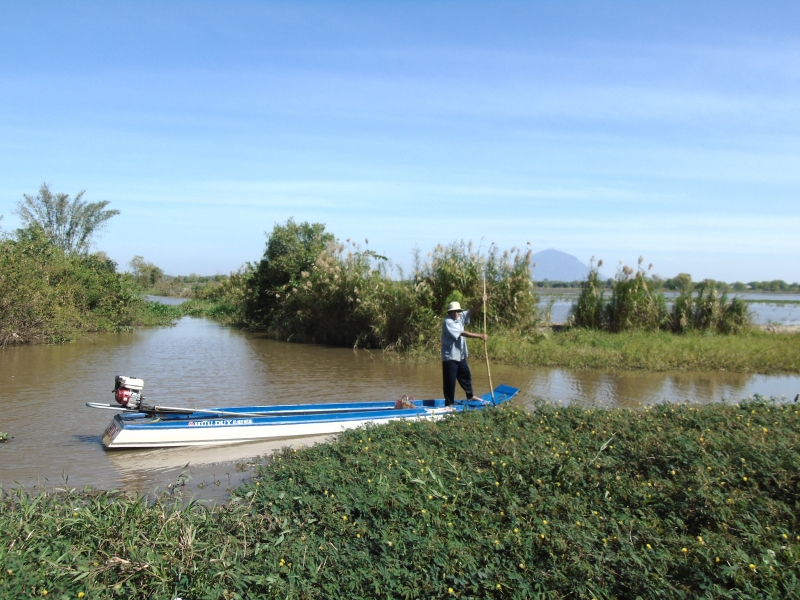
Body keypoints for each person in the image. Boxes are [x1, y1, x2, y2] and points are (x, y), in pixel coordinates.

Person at [441, 297, 487, 407]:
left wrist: (481, 302)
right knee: (450, 382)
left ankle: (470, 396)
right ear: (450, 312)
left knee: (466, 376)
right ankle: (449, 404)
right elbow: (461, 332)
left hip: (460, 356)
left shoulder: (460, 316)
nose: (456, 313)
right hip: (450, 358)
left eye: (458, 311)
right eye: (454, 311)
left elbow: (471, 311)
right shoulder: (448, 322)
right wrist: (480, 336)